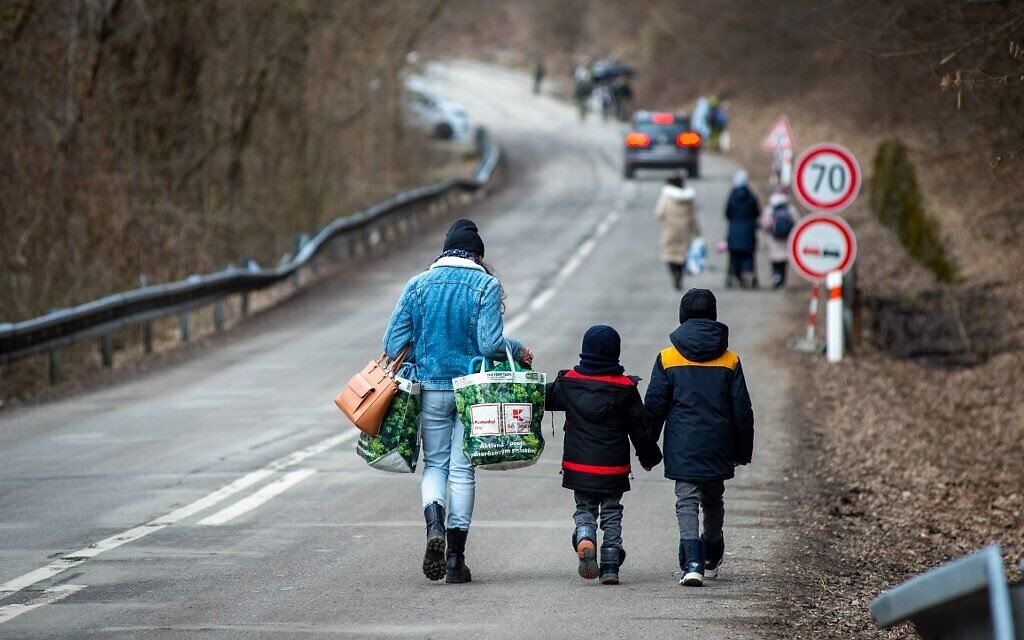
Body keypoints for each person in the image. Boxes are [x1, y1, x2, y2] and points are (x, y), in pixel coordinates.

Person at [383, 218, 533, 584]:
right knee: (463, 470)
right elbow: (491, 346)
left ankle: (434, 526)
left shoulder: (417, 286)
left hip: (431, 389)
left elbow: (391, 345)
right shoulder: (486, 285)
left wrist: (421, 354)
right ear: (478, 255)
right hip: (473, 393)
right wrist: (518, 350)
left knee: (435, 465)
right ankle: (455, 559)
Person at [643, 289, 754, 587]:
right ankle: (712, 551)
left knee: (687, 500)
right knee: (713, 497)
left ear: (682, 316)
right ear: (714, 316)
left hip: (683, 443)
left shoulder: (668, 357)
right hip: (719, 442)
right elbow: (742, 410)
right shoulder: (730, 359)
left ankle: (691, 561)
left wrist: (646, 448)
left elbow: (654, 407)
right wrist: (742, 451)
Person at [545, 325, 662, 585]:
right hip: (613, 469)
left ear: (584, 352)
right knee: (612, 512)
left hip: (579, 466)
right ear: (616, 354)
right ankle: (610, 564)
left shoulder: (568, 383)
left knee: (584, 507)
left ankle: (586, 535)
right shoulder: (626, 389)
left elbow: (541, 397)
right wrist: (649, 456)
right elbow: (639, 430)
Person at [654, 174, 700, 290]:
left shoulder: (666, 196)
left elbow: (659, 213)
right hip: (685, 231)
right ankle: (680, 275)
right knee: (682, 255)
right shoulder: (689, 198)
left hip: (670, 230)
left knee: (670, 255)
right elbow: (693, 216)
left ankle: (674, 274)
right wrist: (697, 231)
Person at [725, 170, 761, 289]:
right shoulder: (751, 197)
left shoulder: (732, 197)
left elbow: (727, 213)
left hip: (734, 232)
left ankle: (737, 276)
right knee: (748, 256)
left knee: (735, 257)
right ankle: (747, 273)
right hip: (749, 233)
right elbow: (757, 212)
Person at [760, 190, 799, 289]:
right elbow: (797, 223)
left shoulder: (769, 209)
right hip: (786, 239)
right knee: (783, 261)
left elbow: (764, 224)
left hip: (774, 239)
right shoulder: (790, 209)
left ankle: (776, 276)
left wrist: (767, 231)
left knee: (775, 260)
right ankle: (782, 279)